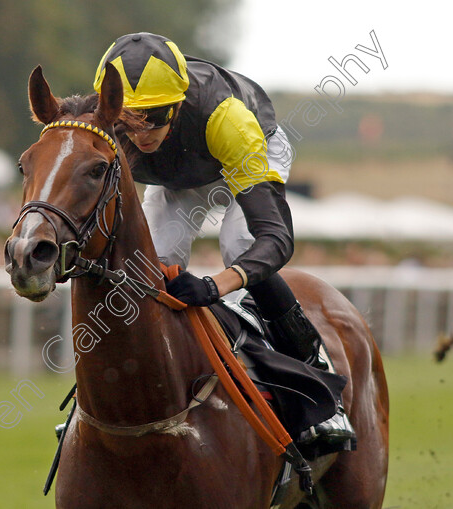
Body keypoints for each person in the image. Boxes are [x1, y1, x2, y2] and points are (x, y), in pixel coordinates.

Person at [92, 32, 355, 446]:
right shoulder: (103, 119)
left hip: (245, 153)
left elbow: (276, 238)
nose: (142, 133)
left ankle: (317, 377)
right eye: (129, 119)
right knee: (149, 269)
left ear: (178, 103)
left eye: (155, 115)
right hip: (177, 177)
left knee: (238, 244)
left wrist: (214, 286)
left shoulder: (226, 119)